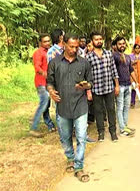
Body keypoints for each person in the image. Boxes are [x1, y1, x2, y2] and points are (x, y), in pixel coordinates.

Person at [47, 33, 93, 182]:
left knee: (81, 137)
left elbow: (90, 82)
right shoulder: (54, 63)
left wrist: (86, 86)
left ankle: (79, 167)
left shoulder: (84, 63)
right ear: (64, 44)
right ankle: (70, 158)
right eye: (71, 46)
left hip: (80, 105)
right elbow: (49, 82)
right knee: (65, 137)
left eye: (77, 47)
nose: (74, 49)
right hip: (62, 105)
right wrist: (51, 92)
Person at [86, 32, 120, 142]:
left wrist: (117, 86)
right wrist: (89, 91)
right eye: (96, 39)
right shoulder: (88, 57)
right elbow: (87, 75)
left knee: (111, 110)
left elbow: (114, 70)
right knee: (98, 111)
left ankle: (113, 132)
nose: (99, 41)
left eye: (100, 39)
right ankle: (100, 132)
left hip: (109, 87)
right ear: (92, 41)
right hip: (96, 89)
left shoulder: (109, 54)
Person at [30, 33, 56, 137]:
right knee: (44, 103)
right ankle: (33, 127)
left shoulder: (50, 52)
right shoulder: (38, 53)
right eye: (45, 41)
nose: (47, 43)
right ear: (40, 42)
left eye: (48, 41)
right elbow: (37, 67)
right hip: (41, 82)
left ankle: (50, 125)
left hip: (48, 82)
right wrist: (45, 74)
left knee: (46, 104)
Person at [113, 36, 138, 136]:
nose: (122, 45)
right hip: (120, 86)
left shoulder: (128, 57)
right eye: (120, 44)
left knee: (126, 107)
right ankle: (122, 129)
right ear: (116, 45)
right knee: (119, 107)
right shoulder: (114, 56)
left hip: (128, 85)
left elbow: (131, 70)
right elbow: (113, 72)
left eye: (123, 43)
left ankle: (125, 126)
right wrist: (116, 86)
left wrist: (136, 82)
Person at [129, 44, 140, 108]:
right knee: (134, 88)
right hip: (133, 74)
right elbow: (129, 64)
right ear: (134, 49)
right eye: (136, 48)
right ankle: (132, 103)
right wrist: (135, 62)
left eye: (138, 48)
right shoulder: (130, 56)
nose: (137, 49)